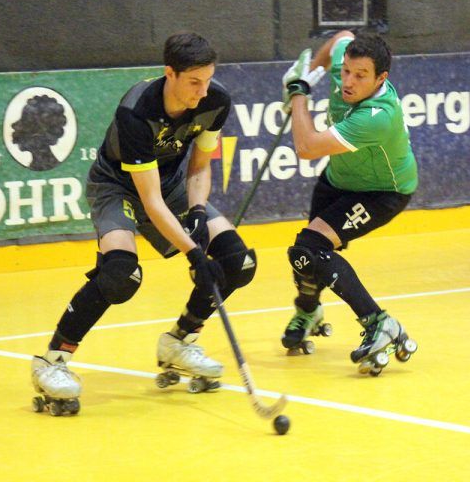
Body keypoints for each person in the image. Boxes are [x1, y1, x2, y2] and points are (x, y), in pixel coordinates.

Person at [31, 32, 258, 410]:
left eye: (206, 80)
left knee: (237, 262)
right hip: (117, 186)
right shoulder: (136, 113)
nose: (202, 92)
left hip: (170, 184)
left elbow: (199, 168)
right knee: (120, 274)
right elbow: (149, 202)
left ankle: (180, 341)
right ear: (169, 73)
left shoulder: (215, 101)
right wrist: (193, 253)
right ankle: (52, 361)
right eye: (193, 82)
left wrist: (199, 212)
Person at [279, 30, 418, 375]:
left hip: (381, 192)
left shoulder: (377, 116)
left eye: (360, 76)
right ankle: (308, 311)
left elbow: (307, 147)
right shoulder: (347, 57)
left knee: (311, 248)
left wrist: (299, 92)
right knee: (305, 253)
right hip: (339, 178)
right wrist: (311, 70)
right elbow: (341, 37)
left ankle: (380, 322)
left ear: (380, 78)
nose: (348, 82)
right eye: (345, 72)